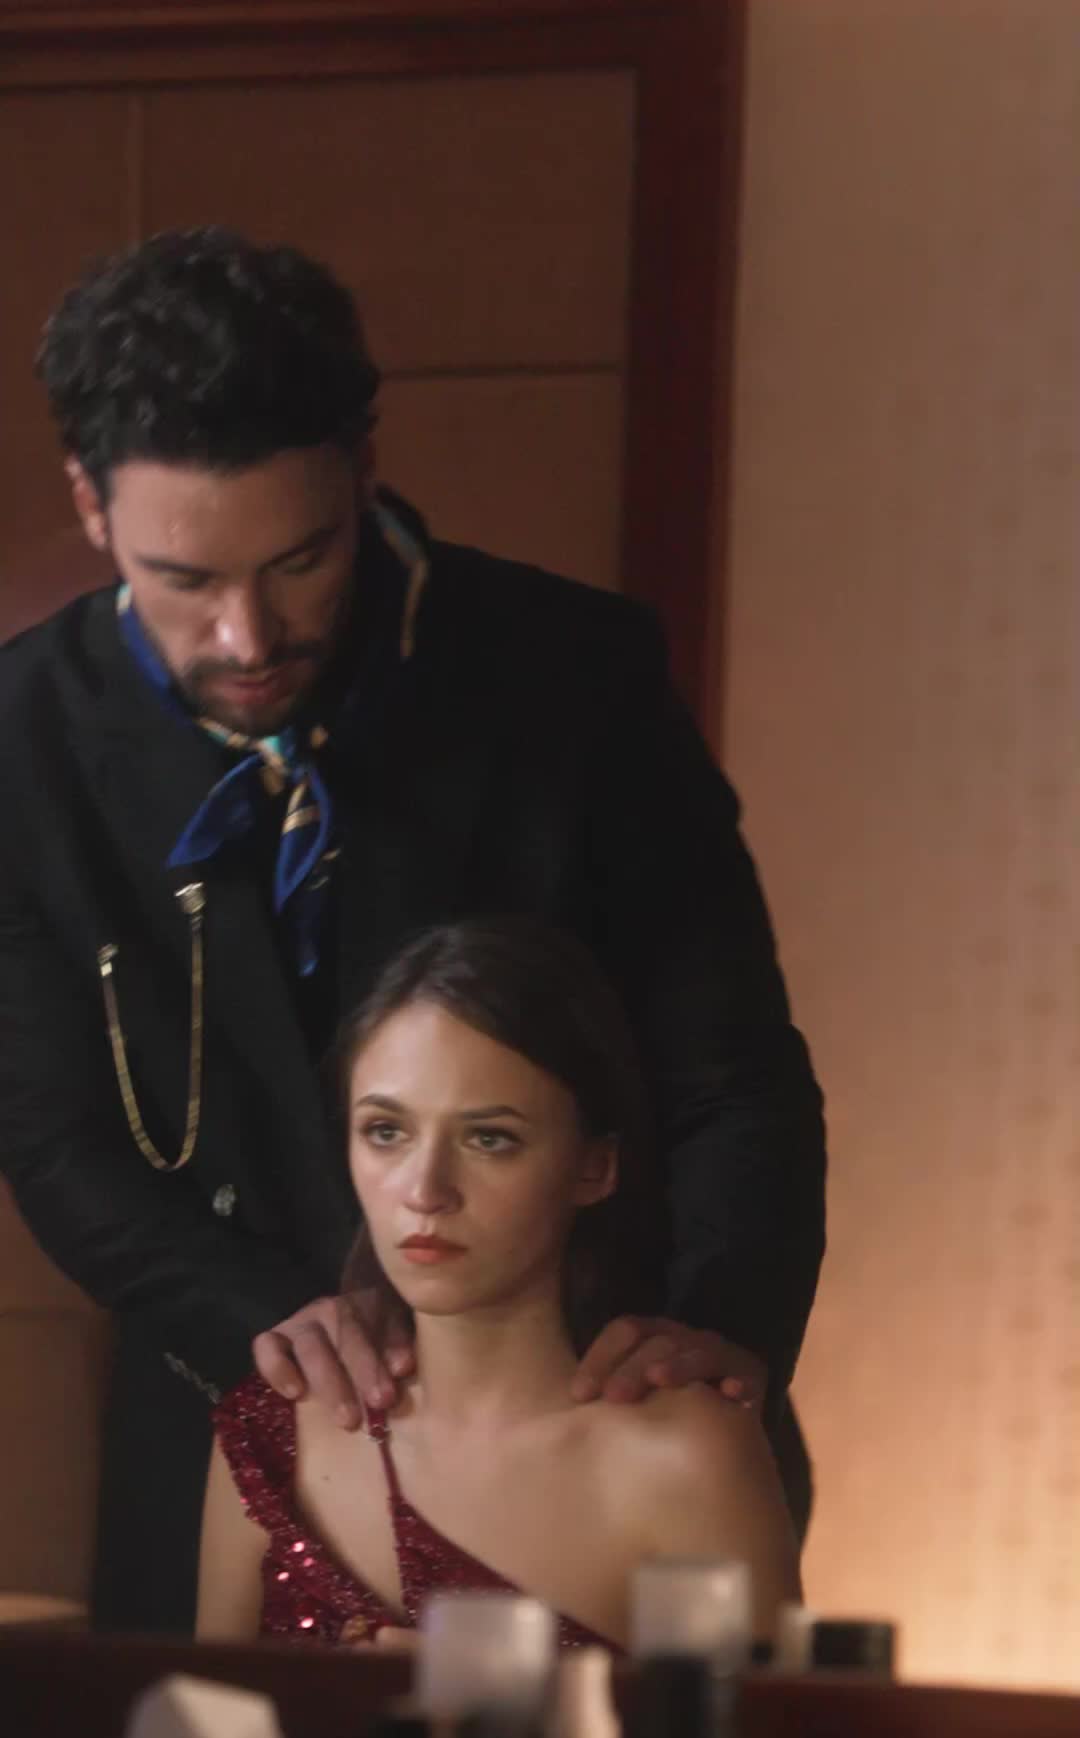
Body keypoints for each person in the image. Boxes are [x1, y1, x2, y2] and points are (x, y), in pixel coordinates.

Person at [0, 227, 824, 1635]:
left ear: (362, 469)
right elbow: (52, 1134)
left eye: (300, 560)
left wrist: (713, 1328)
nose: (248, 635)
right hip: (235, 1409)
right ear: (90, 503)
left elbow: (732, 1072)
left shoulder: (573, 677)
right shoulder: (22, 739)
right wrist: (265, 1320)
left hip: (594, 1408)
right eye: (186, 579)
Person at [198, 920, 800, 1649]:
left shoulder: (686, 1458)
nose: (425, 1190)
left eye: (490, 1139)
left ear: (593, 1167)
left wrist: (499, 1694)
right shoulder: (274, 1431)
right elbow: (202, 1719)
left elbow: (768, 1728)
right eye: (386, 1132)